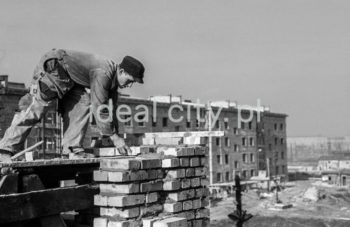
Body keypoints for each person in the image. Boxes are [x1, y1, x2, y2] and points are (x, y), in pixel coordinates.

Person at [0, 49, 145, 161]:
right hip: (56, 66)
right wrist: (114, 138)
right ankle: (5, 149)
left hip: (70, 79)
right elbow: (99, 107)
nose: (130, 85)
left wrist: (116, 136)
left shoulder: (112, 81)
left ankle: (71, 149)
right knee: (39, 106)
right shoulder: (103, 73)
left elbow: (110, 111)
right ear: (121, 71)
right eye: (130, 80)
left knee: (83, 102)